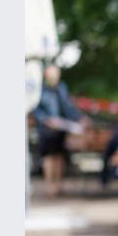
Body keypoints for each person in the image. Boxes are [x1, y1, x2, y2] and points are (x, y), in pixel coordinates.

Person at [31, 65, 86, 197]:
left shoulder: (61, 87)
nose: (56, 77)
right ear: (46, 75)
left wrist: (79, 118)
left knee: (60, 157)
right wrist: (46, 120)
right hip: (46, 129)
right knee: (49, 157)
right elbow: (35, 108)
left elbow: (68, 107)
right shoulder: (40, 89)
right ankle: (50, 186)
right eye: (53, 74)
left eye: (57, 74)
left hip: (61, 127)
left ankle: (58, 185)